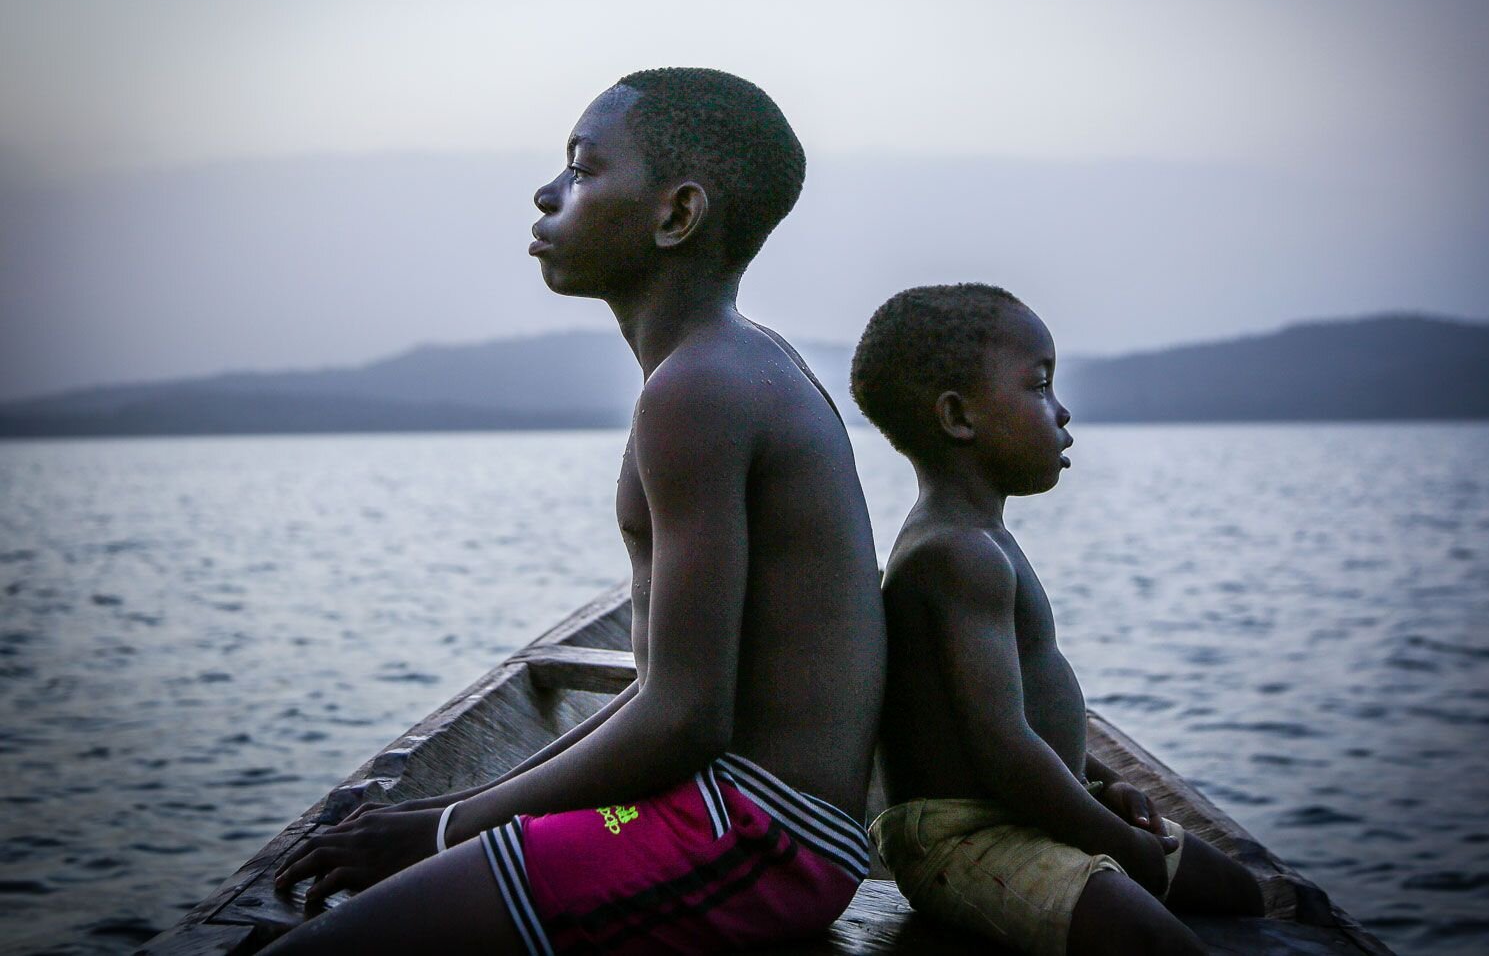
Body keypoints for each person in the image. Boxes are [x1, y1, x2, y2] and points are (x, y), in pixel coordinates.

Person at [266, 68, 887, 954]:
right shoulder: (728, 365)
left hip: (756, 834)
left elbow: (683, 717)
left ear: (676, 216)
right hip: (746, 817)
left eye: (582, 169)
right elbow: (662, 696)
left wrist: (441, 833)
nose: (547, 192)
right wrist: (455, 813)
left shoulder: (699, 390)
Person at [849, 284, 1263, 956]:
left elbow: (1010, 716)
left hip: (1029, 807)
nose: (1064, 412)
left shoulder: (980, 539)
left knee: (1238, 891)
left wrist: (1104, 781)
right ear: (959, 416)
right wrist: (1119, 839)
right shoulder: (954, 553)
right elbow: (1004, 746)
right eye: (1040, 386)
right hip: (967, 838)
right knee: (1154, 939)